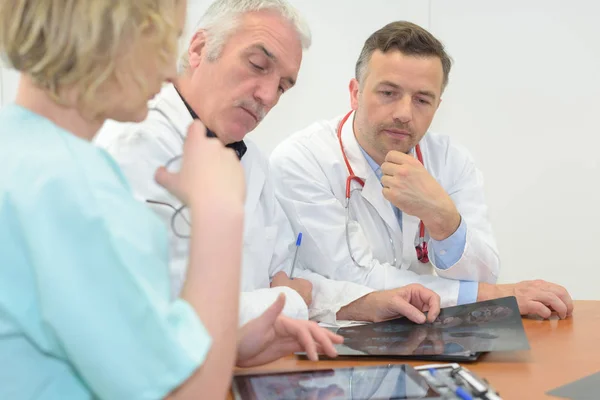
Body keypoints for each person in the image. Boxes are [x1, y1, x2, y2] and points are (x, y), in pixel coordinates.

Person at [0, 1, 341, 399]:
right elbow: (188, 393)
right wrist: (219, 216)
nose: (168, 70)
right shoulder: (71, 187)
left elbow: (121, 347)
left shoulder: (25, 150)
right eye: (163, 43)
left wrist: (229, 344)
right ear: (111, 36)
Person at [98, 0, 445, 326]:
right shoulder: (136, 144)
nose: (267, 95)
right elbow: (161, 311)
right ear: (199, 49)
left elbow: (286, 273)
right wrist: (287, 299)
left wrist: (371, 302)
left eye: (282, 86)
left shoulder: (252, 163)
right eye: (257, 65)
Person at [270, 20, 573, 318]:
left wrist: (442, 216)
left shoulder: (451, 160)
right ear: (355, 93)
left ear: (438, 106)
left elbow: (483, 273)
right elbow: (353, 281)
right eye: (388, 93)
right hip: (337, 341)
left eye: (422, 99)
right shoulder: (302, 160)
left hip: (431, 333)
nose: (404, 113)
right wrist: (492, 296)